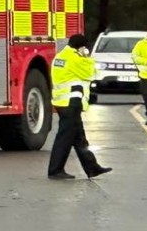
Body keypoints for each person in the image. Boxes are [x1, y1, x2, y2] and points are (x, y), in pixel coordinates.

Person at [47, 33, 113, 181]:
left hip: (63, 102)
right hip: (71, 102)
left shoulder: (61, 56)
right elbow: (90, 73)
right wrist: (87, 57)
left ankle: (92, 167)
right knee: (64, 138)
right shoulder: (74, 58)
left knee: (79, 137)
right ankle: (55, 170)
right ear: (81, 47)